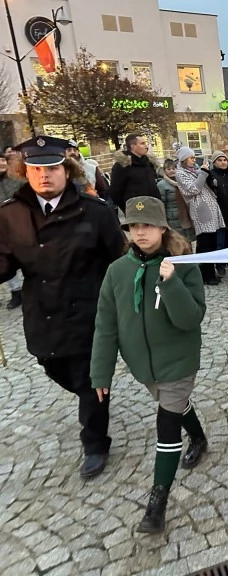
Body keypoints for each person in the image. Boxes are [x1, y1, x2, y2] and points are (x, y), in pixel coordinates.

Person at [0, 136, 125, 478]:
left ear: (66, 170)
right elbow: (4, 264)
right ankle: (94, 400)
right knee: (57, 370)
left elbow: (119, 260)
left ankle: (95, 443)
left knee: (90, 382)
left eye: (52, 168)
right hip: (43, 315)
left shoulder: (94, 211)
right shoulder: (11, 214)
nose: (44, 175)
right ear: (24, 171)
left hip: (89, 315)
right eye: (36, 168)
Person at [91, 196, 208, 533]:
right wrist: (101, 371)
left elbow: (191, 319)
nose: (139, 232)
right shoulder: (117, 272)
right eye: (133, 226)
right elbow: (106, 324)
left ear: (161, 227)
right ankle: (199, 439)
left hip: (179, 361)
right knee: (174, 405)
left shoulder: (183, 264)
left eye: (147, 226)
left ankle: (157, 504)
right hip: (144, 366)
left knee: (166, 425)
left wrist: (170, 282)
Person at [175, 147, 226, 286]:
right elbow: (193, 189)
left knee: (212, 241)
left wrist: (206, 172)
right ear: (184, 159)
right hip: (200, 210)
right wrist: (203, 173)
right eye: (191, 158)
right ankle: (206, 274)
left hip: (211, 207)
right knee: (205, 243)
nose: (193, 160)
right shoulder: (180, 173)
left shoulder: (195, 170)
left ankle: (210, 272)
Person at [109, 133, 161, 212]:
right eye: (142, 143)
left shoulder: (149, 163)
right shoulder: (122, 165)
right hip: (136, 210)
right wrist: (128, 208)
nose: (146, 146)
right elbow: (115, 191)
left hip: (154, 206)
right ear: (133, 146)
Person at [0, 151, 24, 309]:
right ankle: (16, 291)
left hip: (21, 224)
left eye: (2, 160)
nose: (1, 164)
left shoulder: (18, 180)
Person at [157, 158, 195, 242]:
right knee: (176, 241)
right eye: (168, 169)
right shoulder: (162, 185)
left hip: (186, 215)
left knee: (188, 241)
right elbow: (161, 204)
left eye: (174, 168)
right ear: (164, 171)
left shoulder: (183, 181)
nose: (171, 171)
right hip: (172, 219)